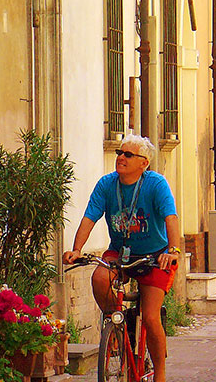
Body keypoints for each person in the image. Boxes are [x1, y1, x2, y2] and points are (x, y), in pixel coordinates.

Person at [62, 134, 179, 382]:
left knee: (150, 316)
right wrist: (77, 249)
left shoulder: (156, 184)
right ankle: (116, 326)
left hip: (155, 256)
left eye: (128, 154)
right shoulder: (106, 184)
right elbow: (89, 217)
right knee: (100, 278)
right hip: (121, 253)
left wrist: (173, 250)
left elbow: (171, 217)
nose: (121, 158)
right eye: (119, 153)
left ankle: (160, 373)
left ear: (143, 163)